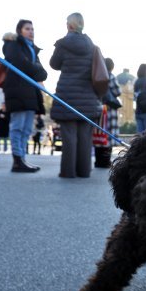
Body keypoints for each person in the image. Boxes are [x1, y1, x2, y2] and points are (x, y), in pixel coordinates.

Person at [49, 12, 102, 179]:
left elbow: (54, 64)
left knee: (69, 137)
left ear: (69, 25)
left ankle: (68, 172)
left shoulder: (63, 44)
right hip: (88, 98)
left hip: (67, 96)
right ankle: (84, 171)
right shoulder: (92, 46)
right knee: (85, 138)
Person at [2, 19, 47, 173]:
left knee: (27, 129)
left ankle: (22, 159)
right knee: (17, 126)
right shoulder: (12, 44)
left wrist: (32, 67)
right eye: (27, 28)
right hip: (17, 90)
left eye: (33, 29)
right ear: (19, 30)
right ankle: (17, 160)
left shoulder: (33, 49)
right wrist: (33, 68)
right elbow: (19, 62)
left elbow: (43, 73)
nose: (31, 31)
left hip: (30, 93)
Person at [95, 57, 121, 169]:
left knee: (99, 134)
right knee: (108, 136)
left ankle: (98, 161)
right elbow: (117, 92)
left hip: (99, 108)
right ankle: (106, 162)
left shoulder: (97, 75)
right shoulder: (111, 76)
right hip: (109, 110)